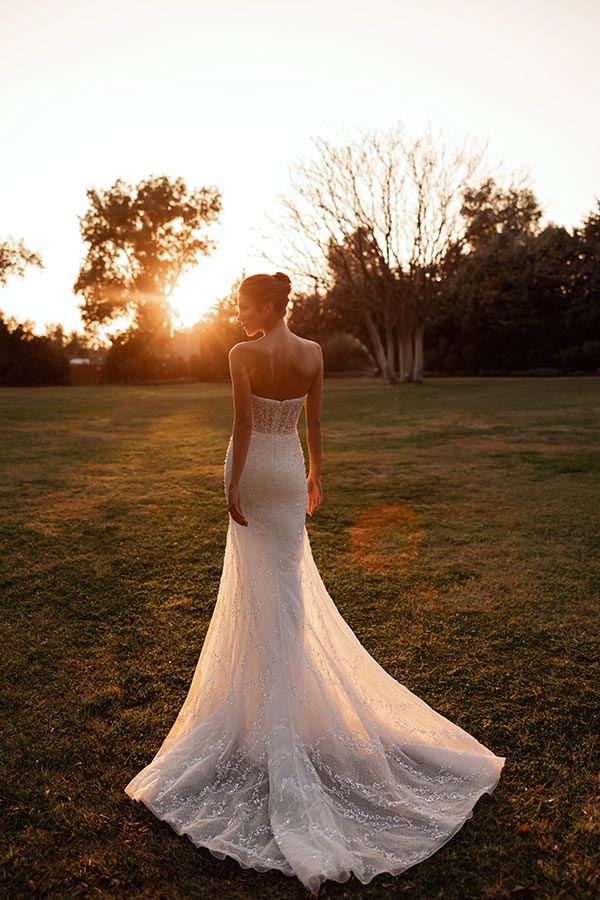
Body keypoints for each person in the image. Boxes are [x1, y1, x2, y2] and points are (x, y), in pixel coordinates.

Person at [124, 271, 505, 895]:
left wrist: (229, 486)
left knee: (258, 592)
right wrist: (316, 478)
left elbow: (244, 428)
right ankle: (282, 705)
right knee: (288, 588)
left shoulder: (241, 354)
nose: (238, 312)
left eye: (244, 303)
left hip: (254, 473)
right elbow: (314, 425)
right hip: (290, 470)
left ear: (268, 306)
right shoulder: (314, 354)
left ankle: (269, 713)